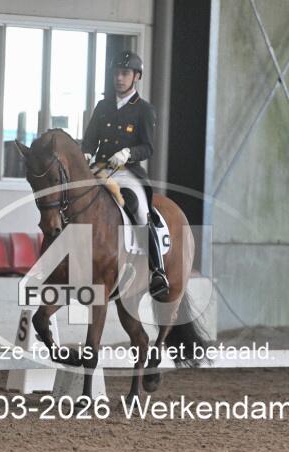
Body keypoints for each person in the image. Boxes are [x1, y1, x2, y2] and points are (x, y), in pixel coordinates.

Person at [82, 50, 169, 298]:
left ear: (136, 77)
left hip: (127, 171)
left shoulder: (144, 110)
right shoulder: (103, 106)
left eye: (125, 73)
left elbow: (148, 147)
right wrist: (86, 153)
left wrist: (128, 153)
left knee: (140, 211)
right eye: (116, 74)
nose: (119, 78)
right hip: (100, 169)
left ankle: (157, 271)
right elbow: (90, 140)